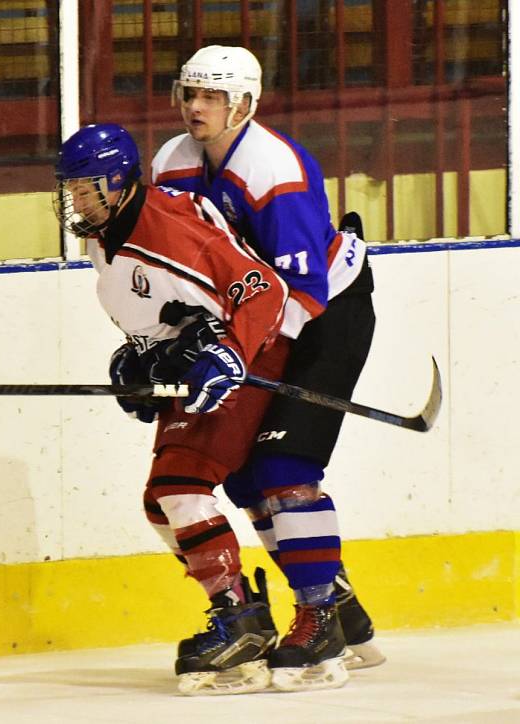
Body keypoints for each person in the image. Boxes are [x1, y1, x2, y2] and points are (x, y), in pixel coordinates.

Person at [151, 45, 384, 689]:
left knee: (285, 468)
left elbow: (303, 295)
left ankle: (317, 619)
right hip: (258, 322)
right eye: (188, 93)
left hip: (327, 316)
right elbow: (183, 265)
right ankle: (340, 605)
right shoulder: (173, 162)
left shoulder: (273, 169)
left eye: (212, 96)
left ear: (245, 104)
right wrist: (173, 341)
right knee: (248, 479)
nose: (195, 107)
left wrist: (232, 353)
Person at [53, 123, 297, 695]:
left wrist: (231, 355)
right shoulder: (104, 231)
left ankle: (238, 620)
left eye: (86, 187)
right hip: (200, 362)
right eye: (71, 189)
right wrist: (141, 358)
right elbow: (163, 308)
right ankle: (255, 614)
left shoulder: (166, 229)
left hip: (252, 358)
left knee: (180, 488)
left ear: (118, 182)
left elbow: (261, 290)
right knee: (161, 504)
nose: (76, 199)